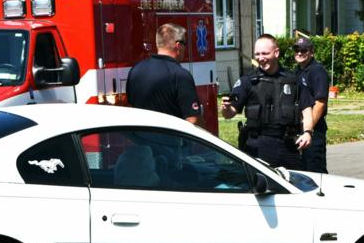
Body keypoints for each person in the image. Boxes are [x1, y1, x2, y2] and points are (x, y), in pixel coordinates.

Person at [221, 34, 314, 169]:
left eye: (265, 53)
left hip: (287, 146)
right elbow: (229, 114)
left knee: (296, 186)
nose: (261, 58)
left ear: (276, 53)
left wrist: (307, 133)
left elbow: (307, 110)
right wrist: (226, 108)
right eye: (257, 54)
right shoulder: (247, 81)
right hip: (256, 146)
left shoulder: (294, 80)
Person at [127, 23, 201, 124]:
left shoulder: (135, 71)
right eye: (185, 44)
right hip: (170, 139)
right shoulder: (181, 75)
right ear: (178, 46)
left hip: (141, 138)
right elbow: (193, 119)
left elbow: (131, 108)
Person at [292, 36, 329, 173]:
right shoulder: (296, 72)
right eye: (297, 50)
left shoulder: (317, 71)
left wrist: (308, 128)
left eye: (304, 50)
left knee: (314, 171)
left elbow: (320, 103)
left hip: (314, 129)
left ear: (311, 52)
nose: (299, 53)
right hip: (297, 129)